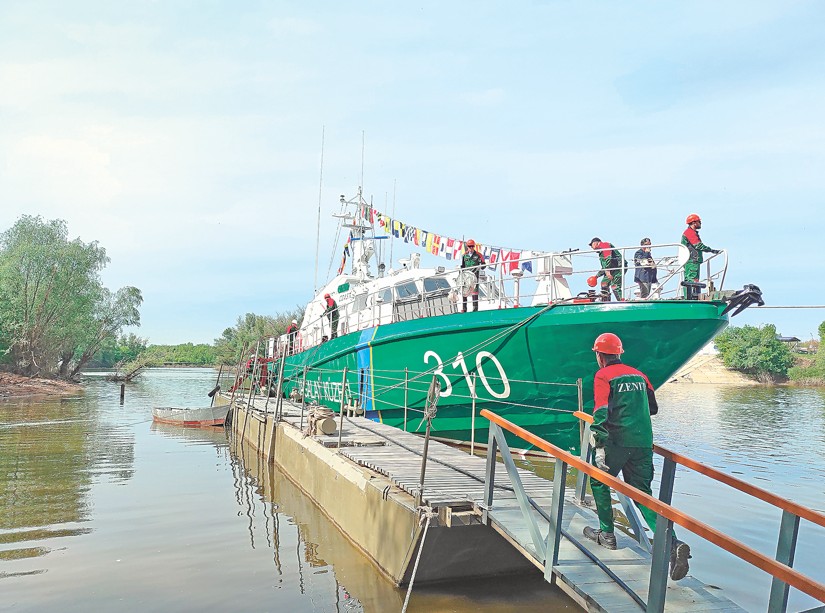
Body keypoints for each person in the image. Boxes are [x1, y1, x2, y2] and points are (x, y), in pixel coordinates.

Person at [583, 332, 691, 581]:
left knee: (599, 480)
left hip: (616, 442)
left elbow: (600, 409)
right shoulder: (640, 375)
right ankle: (673, 544)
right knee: (642, 494)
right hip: (643, 444)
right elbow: (653, 408)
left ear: (600, 356)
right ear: (619, 353)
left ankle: (607, 534)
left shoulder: (603, 375)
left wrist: (598, 436)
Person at [681, 214, 720, 299]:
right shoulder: (689, 232)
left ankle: (691, 296)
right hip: (692, 260)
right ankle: (691, 298)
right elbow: (698, 245)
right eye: (699, 222)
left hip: (692, 260)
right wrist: (711, 250)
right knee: (692, 279)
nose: (700, 223)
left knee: (692, 279)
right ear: (694, 223)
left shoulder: (690, 232)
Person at [589, 238, 624, 302]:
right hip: (611, 269)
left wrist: (607, 271)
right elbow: (604, 267)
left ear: (595, 243)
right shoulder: (601, 253)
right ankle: (606, 301)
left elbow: (608, 258)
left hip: (618, 268)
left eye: (592, 245)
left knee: (615, 285)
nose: (592, 248)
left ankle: (621, 301)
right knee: (604, 283)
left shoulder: (605, 245)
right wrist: (597, 276)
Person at [460, 239, 486, 313]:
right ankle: (464, 309)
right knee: (465, 292)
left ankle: (475, 309)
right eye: (469, 246)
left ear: (474, 246)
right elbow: (463, 266)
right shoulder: (464, 255)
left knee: (475, 292)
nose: (471, 248)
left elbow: (484, 265)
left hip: (475, 276)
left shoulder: (479, 255)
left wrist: (481, 266)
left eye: (472, 246)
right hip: (466, 276)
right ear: (467, 246)